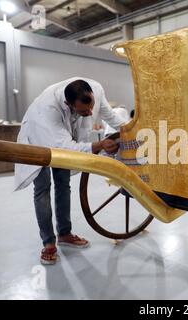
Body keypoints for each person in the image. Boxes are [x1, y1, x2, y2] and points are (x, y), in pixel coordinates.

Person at [14, 77, 130, 265]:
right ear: (69, 104)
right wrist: (99, 145)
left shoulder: (96, 90)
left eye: (91, 107)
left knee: (63, 184)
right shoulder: (48, 111)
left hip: (63, 136)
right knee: (42, 189)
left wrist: (132, 131)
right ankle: (49, 243)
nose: (91, 112)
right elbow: (66, 147)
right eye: (85, 111)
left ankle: (65, 234)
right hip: (37, 138)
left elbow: (109, 116)